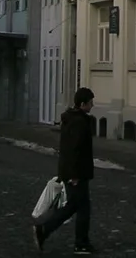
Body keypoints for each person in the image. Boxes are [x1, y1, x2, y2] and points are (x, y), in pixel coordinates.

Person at [34, 88, 96, 254]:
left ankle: (78, 241)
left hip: (74, 171)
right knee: (77, 207)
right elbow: (73, 149)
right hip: (76, 173)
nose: (92, 105)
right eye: (90, 102)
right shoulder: (79, 122)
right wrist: (74, 174)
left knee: (78, 206)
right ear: (82, 104)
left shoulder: (74, 119)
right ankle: (76, 241)